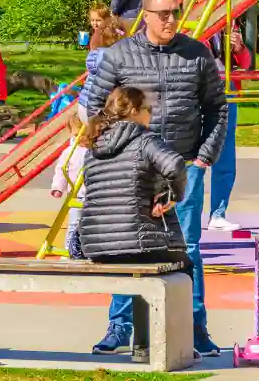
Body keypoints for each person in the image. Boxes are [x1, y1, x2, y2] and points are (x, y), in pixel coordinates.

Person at [81, 0, 226, 357]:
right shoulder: (118, 57)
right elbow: (95, 108)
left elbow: (217, 109)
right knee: (126, 245)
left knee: (186, 248)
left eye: (174, 12)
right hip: (134, 170)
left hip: (182, 165)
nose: (170, 20)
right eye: (163, 14)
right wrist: (113, 153)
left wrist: (203, 158)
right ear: (145, 16)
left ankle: (194, 328)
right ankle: (121, 326)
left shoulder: (196, 55)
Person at [80, 87, 192, 361]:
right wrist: (171, 196)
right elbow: (176, 164)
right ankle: (154, 345)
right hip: (137, 241)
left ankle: (138, 341)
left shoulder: (94, 145)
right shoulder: (144, 139)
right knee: (185, 265)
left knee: (139, 263)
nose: (150, 116)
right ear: (134, 112)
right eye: (148, 110)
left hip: (97, 246)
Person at [206, 22, 251, 232]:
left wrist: (239, 48)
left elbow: (247, 64)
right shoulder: (191, 21)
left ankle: (218, 214)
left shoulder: (228, 23)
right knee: (191, 160)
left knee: (225, 156)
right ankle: (182, 215)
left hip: (226, 88)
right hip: (199, 89)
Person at [78, 4, 125, 123]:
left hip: (83, 103)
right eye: (92, 20)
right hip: (94, 107)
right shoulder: (99, 40)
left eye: (98, 20)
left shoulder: (98, 42)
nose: (95, 23)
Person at [50, 112, 88, 260]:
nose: (82, 138)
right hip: (76, 194)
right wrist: (58, 187)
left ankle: (88, 249)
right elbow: (61, 169)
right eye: (78, 134)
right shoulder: (70, 152)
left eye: (86, 133)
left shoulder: (95, 149)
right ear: (71, 132)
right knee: (74, 224)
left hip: (94, 195)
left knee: (92, 224)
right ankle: (68, 251)